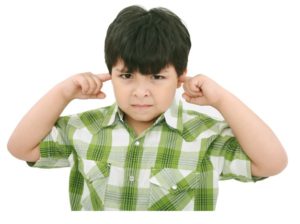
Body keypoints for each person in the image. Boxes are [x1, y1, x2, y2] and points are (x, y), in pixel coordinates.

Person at [7, 5, 287, 211]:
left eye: (157, 76)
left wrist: (222, 99)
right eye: (127, 76)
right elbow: (21, 148)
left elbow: (272, 163)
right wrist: (63, 92)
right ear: (110, 74)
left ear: (180, 77)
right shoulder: (85, 129)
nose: (141, 91)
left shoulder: (204, 136)